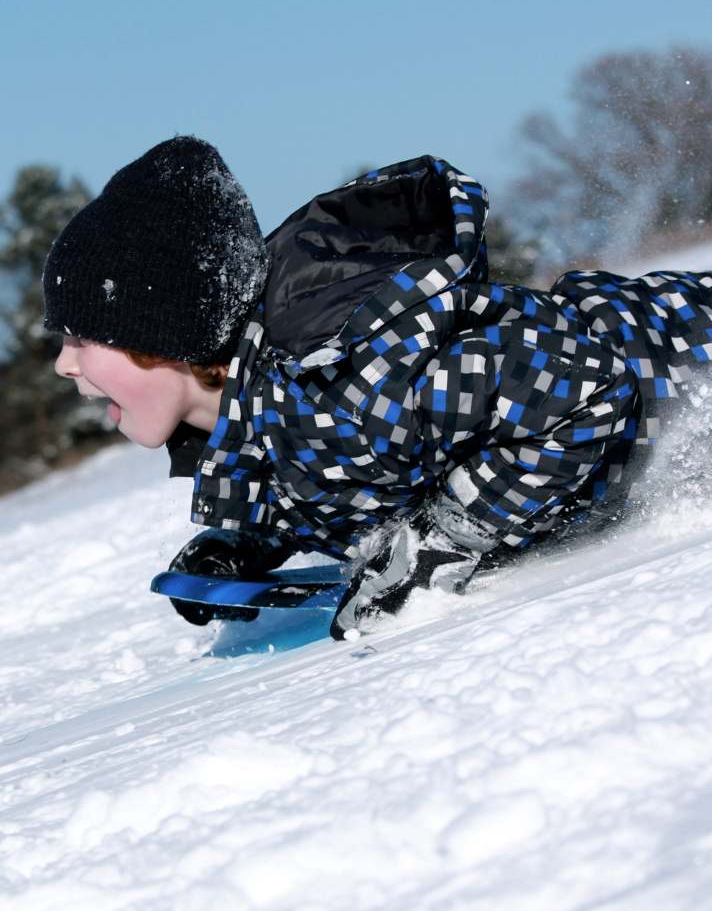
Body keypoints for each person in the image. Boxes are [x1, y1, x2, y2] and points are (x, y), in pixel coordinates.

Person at [43, 136, 712, 638]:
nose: (64, 366)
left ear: (162, 334)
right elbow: (339, 473)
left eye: (80, 338)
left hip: (687, 352)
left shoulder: (351, 369)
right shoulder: (257, 409)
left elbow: (580, 385)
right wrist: (249, 539)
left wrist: (448, 536)